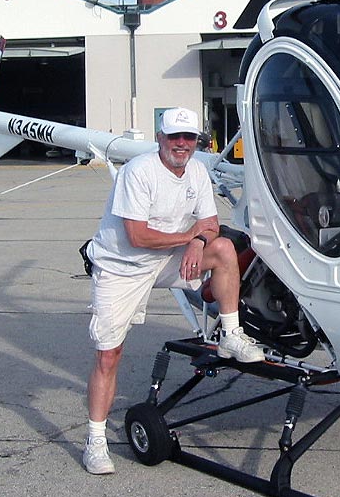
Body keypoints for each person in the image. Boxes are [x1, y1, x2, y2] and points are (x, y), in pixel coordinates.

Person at [81, 107, 264, 475]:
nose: (182, 145)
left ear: (198, 141)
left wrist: (200, 241)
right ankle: (95, 441)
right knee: (108, 355)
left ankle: (231, 333)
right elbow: (138, 235)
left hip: (167, 258)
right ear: (161, 139)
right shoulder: (140, 171)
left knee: (225, 249)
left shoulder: (196, 169)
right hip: (123, 266)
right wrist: (191, 238)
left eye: (189, 138)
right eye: (174, 137)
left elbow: (211, 223)